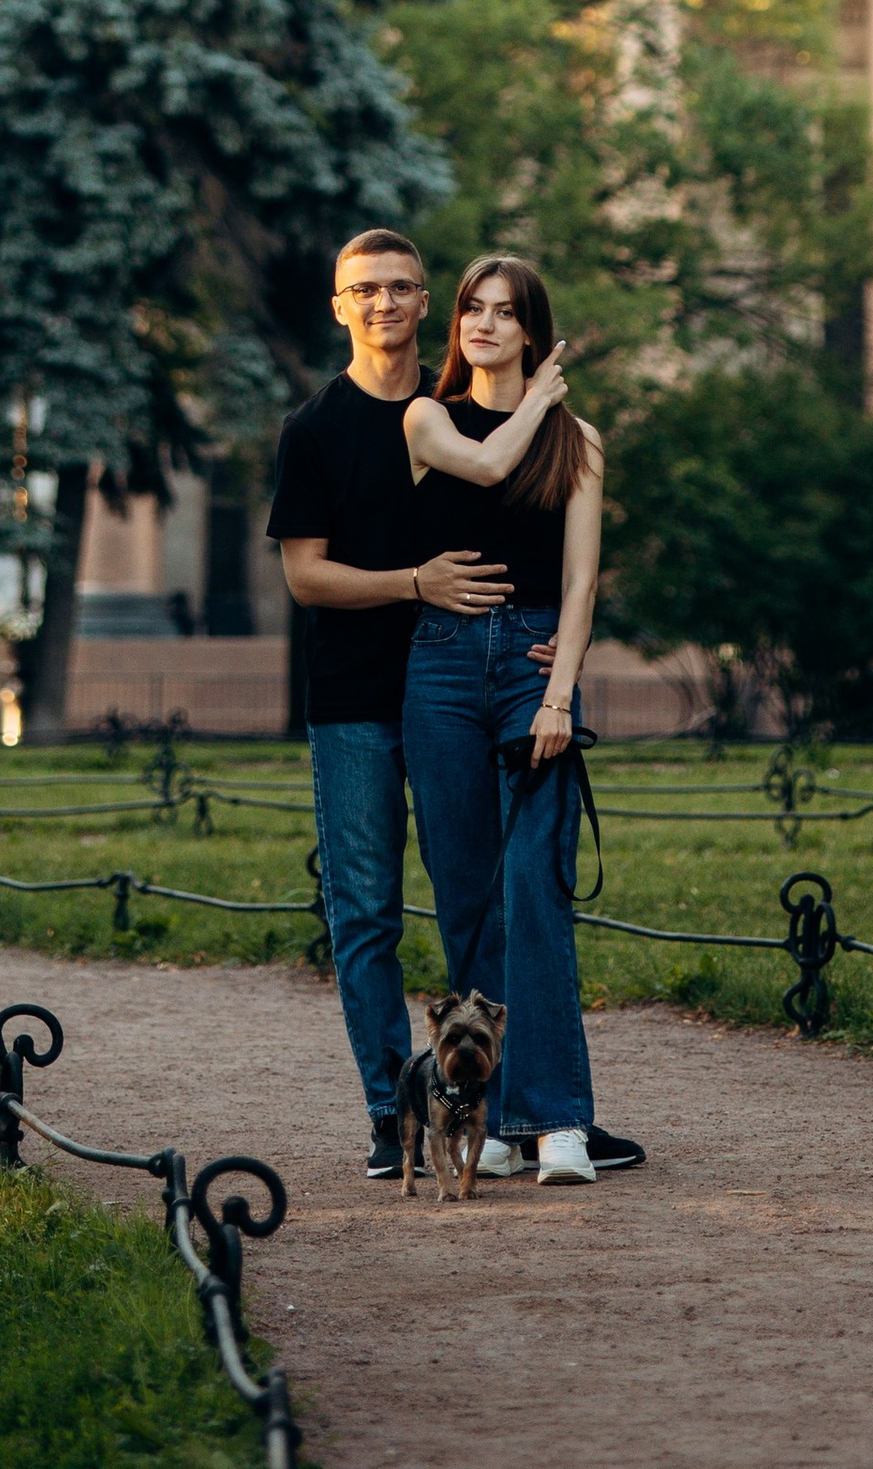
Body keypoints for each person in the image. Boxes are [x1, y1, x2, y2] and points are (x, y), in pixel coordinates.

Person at [268, 228, 641, 1187]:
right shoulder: (347, 427)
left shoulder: (490, 419)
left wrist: (558, 673)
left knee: (525, 892)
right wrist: (415, 583)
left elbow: (571, 568)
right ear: (341, 305)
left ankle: (535, 1116)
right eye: (364, 290)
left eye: (401, 287)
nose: (383, 303)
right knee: (376, 912)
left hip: (499, 668)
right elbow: (306, 576)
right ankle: (397, 1116)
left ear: (422, 301)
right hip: (376, 687)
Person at [401, 252, 635, 1188]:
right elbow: (490, 462)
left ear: (532, 329)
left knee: (536, 889)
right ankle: (488, 1123)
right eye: (472, 308)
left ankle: (557, 1121)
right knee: (466, 893)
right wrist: (537, 398)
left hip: (534, 664)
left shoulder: (578, 441)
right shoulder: (427, 419)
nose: (484, 324)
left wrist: (558, 693)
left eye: (504, 312)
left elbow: (581, 583)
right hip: (442, 663)